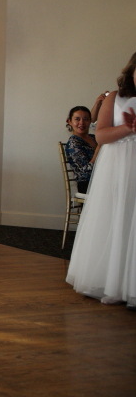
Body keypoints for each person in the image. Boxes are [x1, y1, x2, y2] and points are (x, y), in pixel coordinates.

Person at [66, 51, 136, 309]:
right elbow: (103, 135)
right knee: (118, 219)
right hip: (121, 165)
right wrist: (129, 128)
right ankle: (115, 283)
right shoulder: (115, 98)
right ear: (131, 72)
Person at [64, 105, 98, 193]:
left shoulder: (94, 138)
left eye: (86, 119)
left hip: (103, 180)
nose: (82, 123)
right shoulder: (73, 142)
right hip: (88, 186)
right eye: (77, 119)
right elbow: (85, 173)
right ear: (69, 121)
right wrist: (99, 149)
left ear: (90, 121)